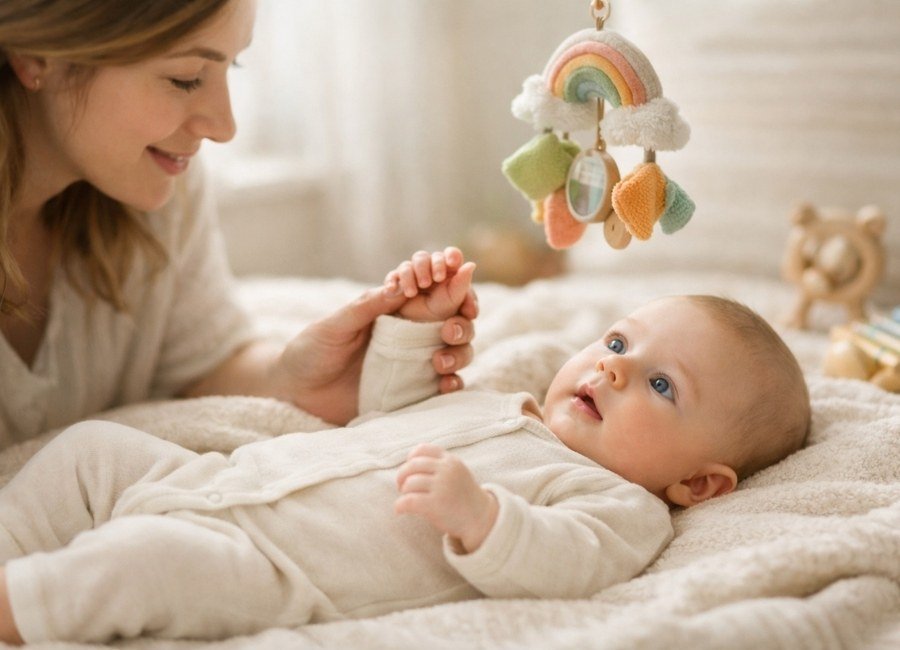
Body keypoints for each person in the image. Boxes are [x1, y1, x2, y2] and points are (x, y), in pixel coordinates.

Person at [0, 256, 811, 644]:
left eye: (661, 386)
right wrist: (414, 333)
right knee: (92, 449)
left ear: (699, 484)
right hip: (220, 481)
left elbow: (569, 563)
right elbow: (388, 413)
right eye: (618, 339)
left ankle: (18, 611)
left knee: (144, 560)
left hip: (273, 567)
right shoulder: (510, 405)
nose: (613, 367)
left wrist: (484, 519)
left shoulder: (623, 508)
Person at [0, 0, 476, 444]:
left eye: (233, 66)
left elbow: (199, 367)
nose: (225, 127)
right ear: (38, 57)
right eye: (185, 78)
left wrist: (293, 379)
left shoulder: (160, 183)